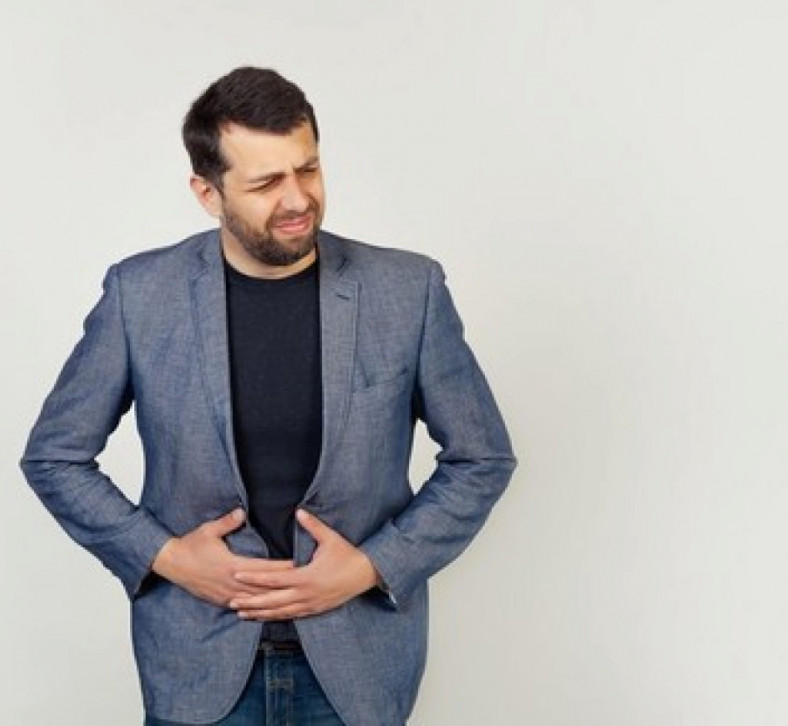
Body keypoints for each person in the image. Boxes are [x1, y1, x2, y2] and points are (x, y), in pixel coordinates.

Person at [20, 66, 516, 726]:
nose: (297, 199)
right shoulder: (140, 295)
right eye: (265, 183)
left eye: (308, 169)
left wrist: (370, 567)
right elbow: (55, 456)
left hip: (358, 672)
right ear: (207, 193)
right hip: (195, 665)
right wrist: (169, 558)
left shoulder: (408, 290)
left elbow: (482, 458)